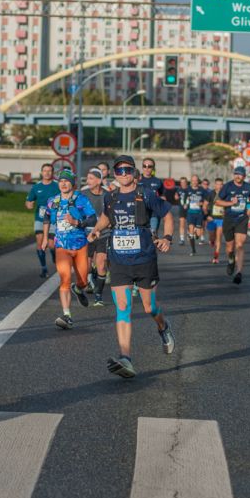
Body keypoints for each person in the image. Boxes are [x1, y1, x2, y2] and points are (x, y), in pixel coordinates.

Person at [88, 155, 175, 379]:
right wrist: (97, 229)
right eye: (119, 171)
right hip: (118, 260)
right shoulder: (111, 196)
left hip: (144, 259)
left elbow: (167, 214)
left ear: (134, 172)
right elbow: (106, 217)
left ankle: (163, 327)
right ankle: (125, 358)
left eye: (127, 170)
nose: (123, 174)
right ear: (114, 174)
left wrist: (167, 238)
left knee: (149, 308)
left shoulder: (146, 194)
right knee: (123, 307)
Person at [42, 169, 96, 329]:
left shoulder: (81, 199)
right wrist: (45, 238)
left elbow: (92, 217)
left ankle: (78, 289)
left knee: (83, 281)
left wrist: (77, 223)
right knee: (64, 279)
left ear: (73, 183)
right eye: (61, 181)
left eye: (66, 181)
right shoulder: (53, 201)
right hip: (62, 246)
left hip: (80, 245)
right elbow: (46, 217)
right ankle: (67, 315)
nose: (63, 184)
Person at [215, 166, 250, 284]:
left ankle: (239, 272)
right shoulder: (227, 186)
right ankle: (231, 259)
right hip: (229, 219)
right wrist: (230, 203)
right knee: (229, 247)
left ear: (244, 176)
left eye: (240, 174)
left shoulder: (248, 187)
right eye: (236, 174)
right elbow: (217, 201)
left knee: (240, 244)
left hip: (242, 219)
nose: (238, 176)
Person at [82, 168, 111, 306]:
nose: (88, 181)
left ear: (99, 181)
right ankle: (89, 276)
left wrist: (105, 226)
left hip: (104, 234)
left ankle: (98, 296)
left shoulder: (108, 195)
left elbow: (113, 214)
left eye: (91, 178)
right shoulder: (82, 194)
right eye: (87, 178)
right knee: (86, 267)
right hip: (86, 235)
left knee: (101, 263)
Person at [25, 163, 59, 278]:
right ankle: (44, 268)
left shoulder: (57, 186)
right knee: (39, 242)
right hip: (40, 218)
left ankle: (54, 255)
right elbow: (29, 201)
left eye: (49, 171)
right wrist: (29, 204)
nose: (47, 173)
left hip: (53, 219)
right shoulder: (36, 187)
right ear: (41, 172)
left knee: (51, 245)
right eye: (45, 171)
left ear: (52, 173)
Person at [138, 158, 165, 236]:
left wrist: (162, 199)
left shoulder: (158, 181)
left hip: (154, 213)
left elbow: (162, 195)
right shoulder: (137, 180)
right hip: (140, 213)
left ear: (153, 168)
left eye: (149, 166)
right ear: (142, 167)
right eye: (144, 166)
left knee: (153, 234)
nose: (146, 168)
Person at [184, 175, 208, 255]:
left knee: (198, 234)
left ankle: (196, 234)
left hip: (199, 214)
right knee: (191, 232)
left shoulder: (202, 190)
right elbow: (184, 199)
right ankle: (193, 249)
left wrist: (201, 203)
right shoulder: (188, 189)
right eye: (193, 180)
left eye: (196, 180)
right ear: (191, 181)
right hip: (190, 213)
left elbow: (206, 201)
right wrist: (185, 204)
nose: (194, 182)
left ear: (198, 181)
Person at [176, 177, 190, 245]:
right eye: (181, 182)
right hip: (181, 209)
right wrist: (175, 196)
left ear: (186, 182)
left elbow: (191, 197)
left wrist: (187, 204)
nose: (183, 184)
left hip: (189, 209)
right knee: (182, 223)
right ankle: (182, 239)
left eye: (184, 182)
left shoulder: (189, 189)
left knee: (189, 223)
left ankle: (189, 234)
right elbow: (176, 197)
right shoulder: (179, 189)